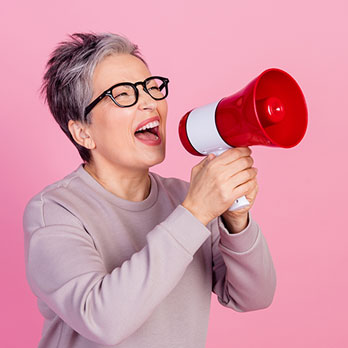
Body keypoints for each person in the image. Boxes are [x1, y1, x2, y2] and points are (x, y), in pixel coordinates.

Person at [23, 32, 276, 348]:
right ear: (83, 132)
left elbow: (254, 297)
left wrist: (236, 221)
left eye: (151, 87)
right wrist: (195, 212)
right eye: (123, 94)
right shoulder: (55, 212)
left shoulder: (186, 198)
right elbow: (104, 321)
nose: (149, 102)